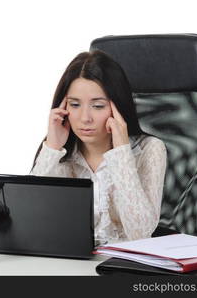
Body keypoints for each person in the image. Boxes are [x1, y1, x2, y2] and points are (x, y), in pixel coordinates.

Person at [30, 50, 167, 243]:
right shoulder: (60, 153)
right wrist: (52, 147)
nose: (85, 118)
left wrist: (121, 153)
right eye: (75, 105)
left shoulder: (150, 150)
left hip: (122, 268)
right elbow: (30, 220)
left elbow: (141, 233)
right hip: (69, 265)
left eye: (98, 106)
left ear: (117, 107)